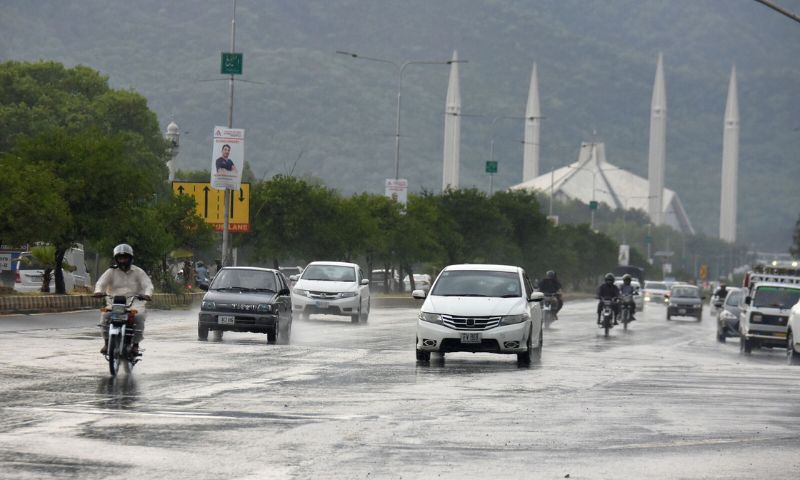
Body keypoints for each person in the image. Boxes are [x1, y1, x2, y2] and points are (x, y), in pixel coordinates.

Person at [93, 244, 154, 356]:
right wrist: (98, 292)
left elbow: (148, 285)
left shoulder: (138, 272)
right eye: (120, 258)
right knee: (105, 316)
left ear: (130, 258)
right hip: (114, 302)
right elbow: (101, 283)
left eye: (125, 258)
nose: (122, 260)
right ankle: (107, 343)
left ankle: (135, 345)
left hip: (134, 302)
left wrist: (147, 295)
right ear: (116, 259)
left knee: (139, 317)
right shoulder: (111, 271)